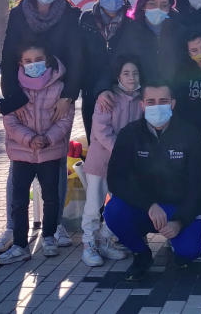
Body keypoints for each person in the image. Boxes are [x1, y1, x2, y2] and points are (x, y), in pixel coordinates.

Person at [0, 0, 84, 255]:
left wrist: (68, 95)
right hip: (23, 96)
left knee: (55, 162)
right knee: (19, 163)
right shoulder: (19, 14)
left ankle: (54, 227)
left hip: (56, 95)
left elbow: (77, 58)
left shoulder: (70, 15)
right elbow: (8, 59)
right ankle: (12, 228)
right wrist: (14, 100)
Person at [105, 80, 201, 281]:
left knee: (190, 251)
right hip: (144, 208)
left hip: (178, 208)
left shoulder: (189, 134)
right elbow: (116, 180)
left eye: (163, 101)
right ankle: (141, 253)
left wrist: (180, 220)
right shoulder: (130, 134)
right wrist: (149, 205)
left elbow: (199, 185)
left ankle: (181, 246)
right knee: (113, 210)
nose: (157, 106)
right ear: (142, 105)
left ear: (173, 104)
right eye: (151, 102)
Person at [0, 44, 75, 264]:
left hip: (50, 152)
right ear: (20, 64)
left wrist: (48, 138)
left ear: (47, 61)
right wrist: (29, 139)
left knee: (51, 197)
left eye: (38, 59)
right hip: (22, 153)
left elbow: (66, 119)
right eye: (28, 61)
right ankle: (20, 244)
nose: (33, 65)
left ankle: (49, 236)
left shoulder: (60, 89)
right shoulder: (14, 89)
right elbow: (10, 121)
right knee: (19, 200)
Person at [80, 55, 142, 267]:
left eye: (135, 73)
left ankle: (104, 239)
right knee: (94, 203)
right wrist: (123, 151)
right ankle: (88, 243)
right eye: (126, 73)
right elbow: (101, 130)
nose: (131, 78)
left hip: (124, 164)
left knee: (119, 204)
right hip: (101, 160)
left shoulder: (141, 99)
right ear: (118, 76)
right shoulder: (108, 98)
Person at [97, 0, 187, 102]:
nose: (158, 9)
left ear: (169, 8)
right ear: (143, 5)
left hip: (175, 100)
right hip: (141, 102)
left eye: (164, 5)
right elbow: (115, 63)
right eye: (152, 4)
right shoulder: (131, 32)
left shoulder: (181, 33)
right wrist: (103, 88)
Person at [79, 0, 131, 143]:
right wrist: (93, 89)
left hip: (127, 95)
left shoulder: (134, 21)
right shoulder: (85, 20)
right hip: (93, 96)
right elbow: (80, 59)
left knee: (126, 147)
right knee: (97, 147)